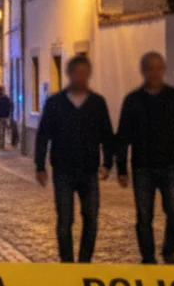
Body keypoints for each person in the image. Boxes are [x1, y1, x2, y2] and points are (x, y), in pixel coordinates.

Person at [35, 55, 117, 263]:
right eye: (76, 73)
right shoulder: (55, 103)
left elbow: (106, 134)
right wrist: (40, 165)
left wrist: (107, 163)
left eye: (84, 73)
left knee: (91, 218)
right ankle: (67, 263)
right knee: (65, 220)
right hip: (63, 169)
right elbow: (43, 134)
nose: (80, 77)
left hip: (89, 170)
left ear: (88, 74)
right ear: (69, 74)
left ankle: (84, 262)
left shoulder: (97, 103)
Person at [116, 52, 174, 264]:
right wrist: (121, 168)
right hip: (142, 167)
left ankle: (169, 251)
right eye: (150, 68)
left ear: (163, 70)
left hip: (170, 166)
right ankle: (148, 257)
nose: (154, 73)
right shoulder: (133, 101)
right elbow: (123, 136)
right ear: (143, 71)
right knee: (144, 216)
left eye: (158, 68)